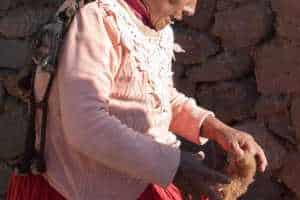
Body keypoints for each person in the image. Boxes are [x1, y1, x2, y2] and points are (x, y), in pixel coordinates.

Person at [6, 0, 268, 199]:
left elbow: (160, 98)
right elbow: (86, 125)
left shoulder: (156, 27)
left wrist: (218, 129)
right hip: (79, 188)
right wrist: (173, 166)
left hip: (137, 181)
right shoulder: (100, 19)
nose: (190, 10)